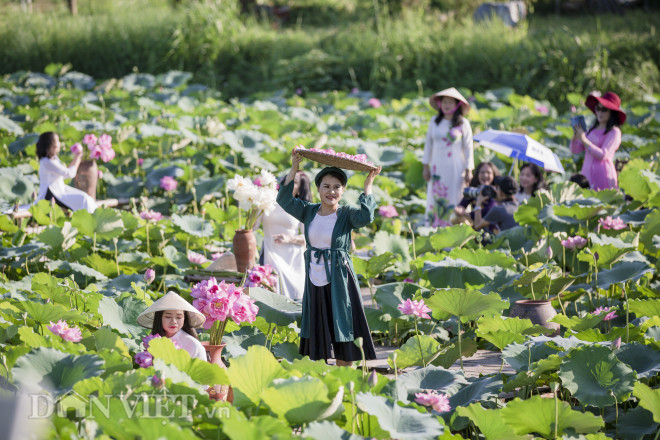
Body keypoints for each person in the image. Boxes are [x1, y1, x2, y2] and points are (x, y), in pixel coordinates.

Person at [277, 151, 381, 366]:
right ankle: (323, 378)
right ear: (318, 189)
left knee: (342, 323)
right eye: (326, 186)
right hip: (314, 276)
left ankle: (346, 375)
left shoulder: (346, 214)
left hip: (339, 279)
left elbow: (367, 216)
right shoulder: (309, 211)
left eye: (336, 187)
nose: (331, 191)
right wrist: (294, 169)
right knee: (318, 328)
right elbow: (284, 199)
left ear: (342, 191)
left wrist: (368, 186)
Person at [422, 87, 475, 226]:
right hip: (437, 167)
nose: (447, 105)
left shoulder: (464, 123)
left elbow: (469, 148)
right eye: (445, 102)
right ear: (440, 103)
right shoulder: (434, 121)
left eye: (450, 102)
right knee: (436, 198)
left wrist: (469, 171)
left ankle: (457, 228)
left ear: (457, 105)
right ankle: (435, 229)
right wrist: (425, 167)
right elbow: (428, 145)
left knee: (456, 197)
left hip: (456, 168)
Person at [260, 171, 311, 302]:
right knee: (272, 293)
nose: (288, 184)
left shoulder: (302, 207)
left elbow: (310, 238)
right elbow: (251, 227)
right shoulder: (268, 201)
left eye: (293, 182)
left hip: (293, 258)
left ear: (300, 188)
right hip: (270, 252)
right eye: (287, 179)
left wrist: (290, 238)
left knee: (295, 299)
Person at [570, 91, 626, 190]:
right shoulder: (592, 129)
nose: (600, 112)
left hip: (603, 176)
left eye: (604, 109)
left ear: (611, 112)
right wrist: (575, 136)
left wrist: (584, 140)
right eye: (598, 108)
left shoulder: (614, 132)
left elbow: (604, 154)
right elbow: (575, 150)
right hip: (586, 175)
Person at [137, 291, 207, 361]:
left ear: (184, 319)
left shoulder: (193, 344)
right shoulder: (151, 341)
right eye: (168, 317)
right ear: (159, 318)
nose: (174, 321)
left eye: (179, 317)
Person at [36, 132, 96, 213]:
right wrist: (77, 159)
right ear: (51, 145)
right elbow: (70, 174)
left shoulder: (53, 159)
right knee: (83, 198)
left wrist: (76, 159)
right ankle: (88, 219)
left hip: (59, 189)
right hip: (51, 193)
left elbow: (65, 171)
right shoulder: (47, 162)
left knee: (86, 197)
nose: (60, 143)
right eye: (57, 141)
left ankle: (90, 218)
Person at [453, 161, 500, 226]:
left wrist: (468, 214)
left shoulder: (497, 192)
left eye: (488, 172)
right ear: (477, 174)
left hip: (492, 228)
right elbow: (462, 205)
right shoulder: (474, 190)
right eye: (482, 172)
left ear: (494, 175)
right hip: (475, 224)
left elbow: (488, 211)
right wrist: (459, 209)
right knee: (454, 217)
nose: (485, 175)